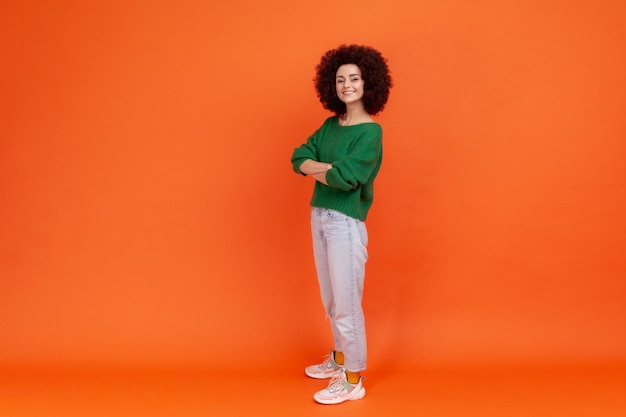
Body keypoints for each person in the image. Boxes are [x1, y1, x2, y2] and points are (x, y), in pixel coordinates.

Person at [290, 44, 392, 405]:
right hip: (319, 215)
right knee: (332, 299)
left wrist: (319, 171)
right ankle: (340, 358)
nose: (347, 85)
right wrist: (326, 171)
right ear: (330, 85)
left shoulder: (370, 133)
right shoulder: (331, 125)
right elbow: (298, 156)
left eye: (354, 78)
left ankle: (353, 379)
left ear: (369, 82)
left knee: (347, 303)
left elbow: (348, 178)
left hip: (345, 223)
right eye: (340, 79)